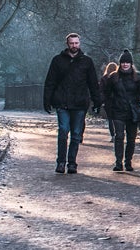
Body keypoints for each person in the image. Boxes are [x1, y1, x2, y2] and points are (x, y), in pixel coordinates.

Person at [42, 32, 101, 174]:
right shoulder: (57, 60)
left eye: (76, 43)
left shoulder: (87, 61)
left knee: (76, 133)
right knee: (63, 131)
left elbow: (93, 83)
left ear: (79, 44)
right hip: (62, 102)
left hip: (80, 103)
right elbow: (50, 81)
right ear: (67, 44)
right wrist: (47, 100)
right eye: (71, 43)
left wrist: (97, 101)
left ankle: (72, 163)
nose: (74, 45)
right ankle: (61, 162)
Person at [101, 51, 140, 173]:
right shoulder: (113, 77)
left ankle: (128, 162)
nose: (125, 64)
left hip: (133, 111)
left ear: (131, 63)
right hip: (118, 110)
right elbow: (106, 93)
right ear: (119, 63)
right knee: (119, 137)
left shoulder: (138, 77)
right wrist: (108, 107)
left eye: (127, 62)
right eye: (123, 62)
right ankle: (118, 162)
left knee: (131, 138)